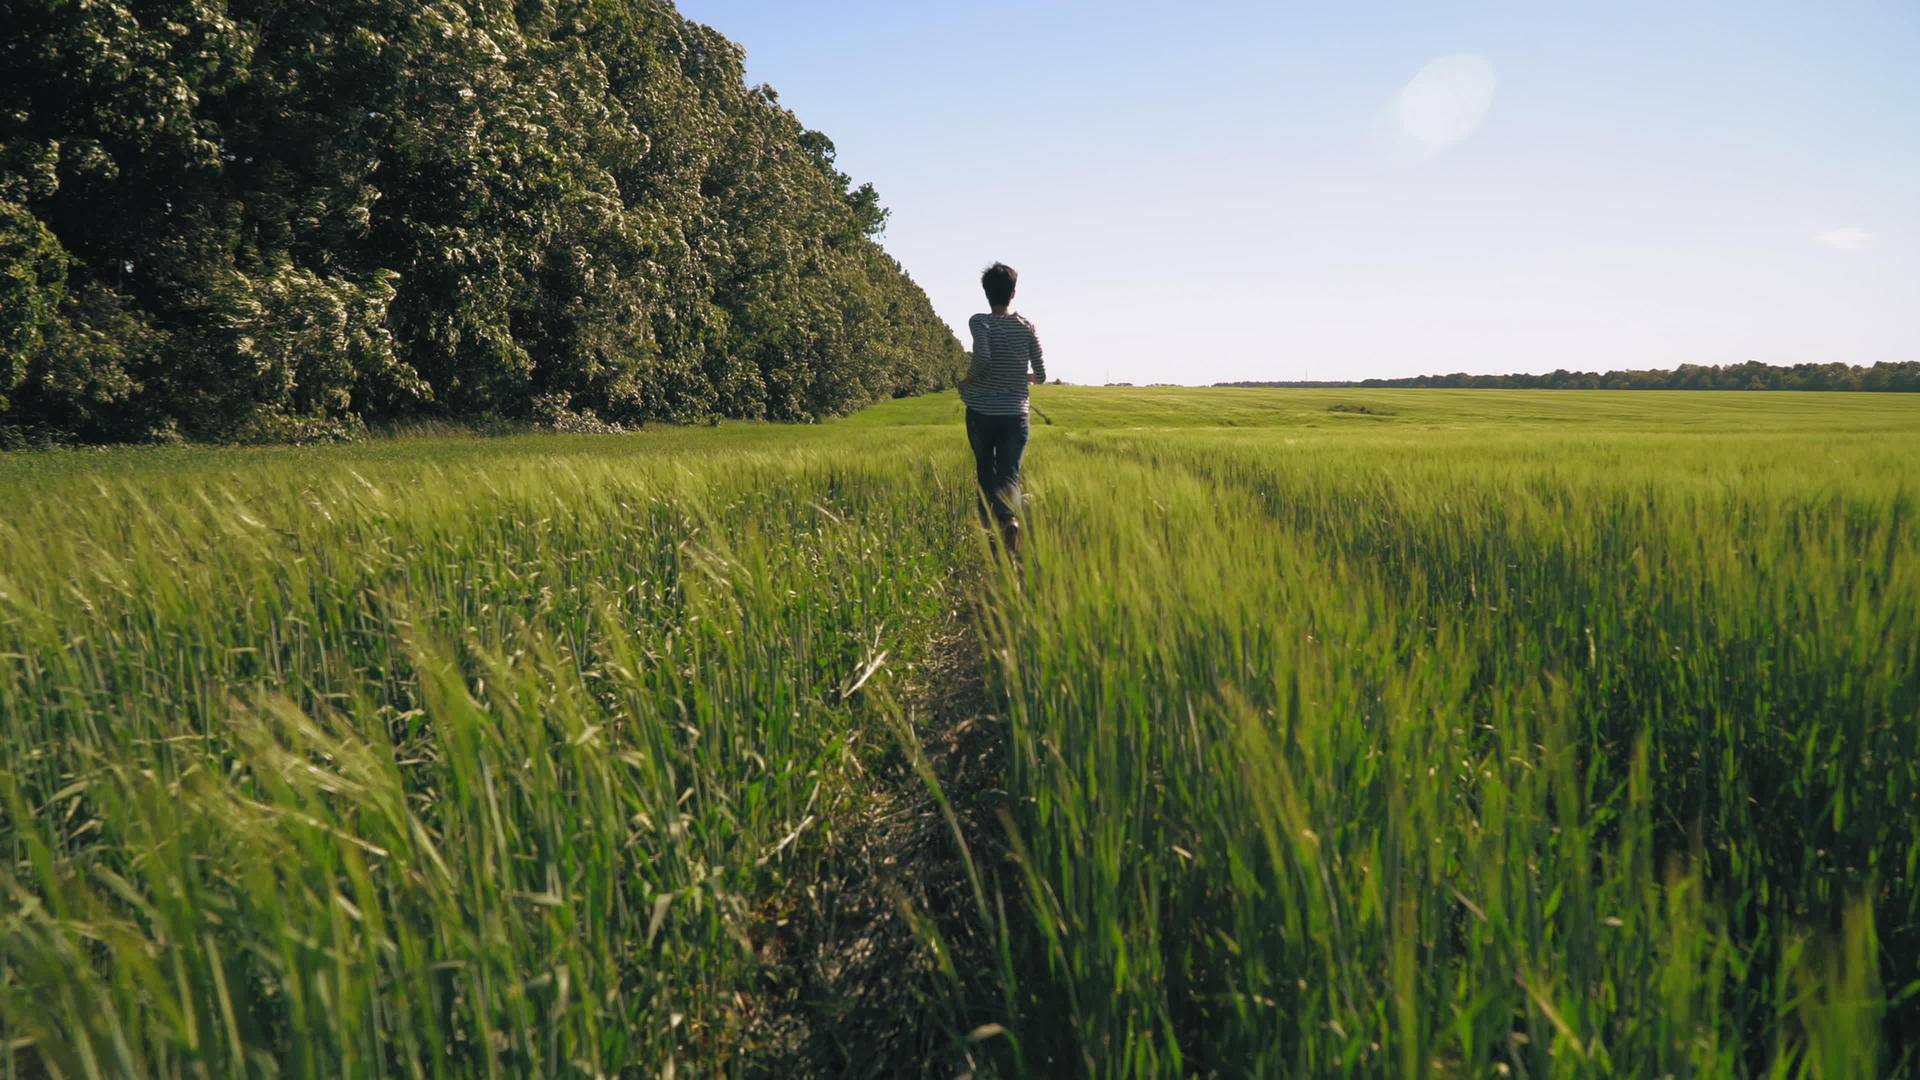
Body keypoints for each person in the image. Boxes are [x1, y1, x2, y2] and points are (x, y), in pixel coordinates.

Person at [957, 262, 1045, 554]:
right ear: (1013, 294)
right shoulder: (1026, 326)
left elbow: (982, 357)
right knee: (1009, 473)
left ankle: (990, 534)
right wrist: (1021, 375)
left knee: (985, 471)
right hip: (1016, 413)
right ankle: (1010, 521)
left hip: (981, 411)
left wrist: (968, 381)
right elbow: (1041, 374)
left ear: (986, 293)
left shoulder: (980, 321)